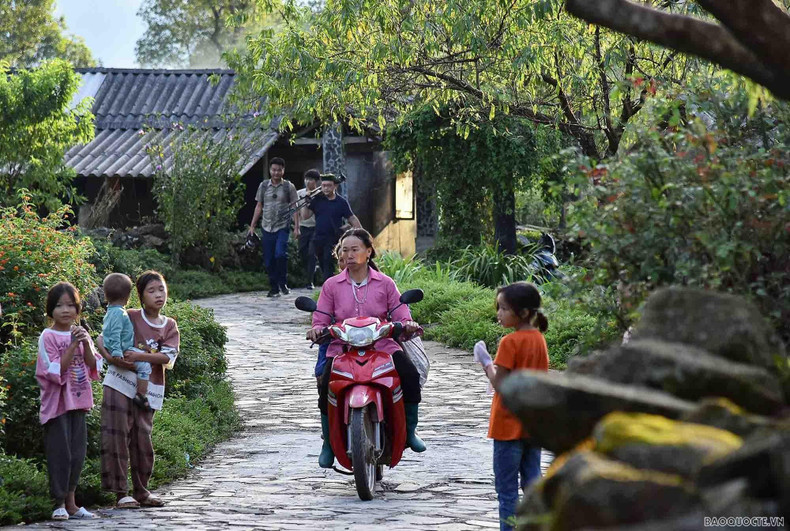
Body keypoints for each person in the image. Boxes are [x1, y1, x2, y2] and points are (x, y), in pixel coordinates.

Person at [307, 228, 425, 468]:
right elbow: (321, 318)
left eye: (355, 249)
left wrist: (407, 324)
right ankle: (328, 443)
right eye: (345, 250)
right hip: (342, 347)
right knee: (325, 384)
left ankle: (410, 432)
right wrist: (317, 329)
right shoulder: (331, 285)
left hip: (382, 344)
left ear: (368, 252)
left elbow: (400, 312)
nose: (349, 255)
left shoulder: (385, 283)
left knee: (410, 375)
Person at [97, 270, 180, 509]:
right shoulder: (129, 315)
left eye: (161, 289)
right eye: (151, 291)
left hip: (148, 389)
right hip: (119, 383)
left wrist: (140, 356)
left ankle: (142, 491)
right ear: (140, 296)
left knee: (142, 438)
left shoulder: (169, 326)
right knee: (117, 435)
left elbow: (167, 357)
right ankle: (121, 493)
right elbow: (103, 339)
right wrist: (111, 358)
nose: (158, 295)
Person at [472, 282, 549, 531]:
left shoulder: (510, 342)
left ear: (523, 312)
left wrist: (486, 363)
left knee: (507, 492)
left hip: (507, 425)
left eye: (504, 308)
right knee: (532, 484)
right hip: (532, 424)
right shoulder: (539, 339)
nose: (499, 313)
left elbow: (501, 384)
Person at [36, 282, 101, 520]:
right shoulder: (47, 336)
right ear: (50, 310)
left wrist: (84, 342)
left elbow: (93, 365)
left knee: (77, 453)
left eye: (71, 305)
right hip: (57, 405)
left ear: (78, 309)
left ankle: (72, 503)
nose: (66, 310)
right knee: (59, 453)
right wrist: (73, 344)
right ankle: (59, 503)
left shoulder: (81, 333)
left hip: (79, 401)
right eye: (59, 306)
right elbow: (53, 370)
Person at [247, 157, 300, 297]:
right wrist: (252, 226)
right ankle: (274, 287)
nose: (276, 173)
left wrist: (297, 227)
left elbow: (294, 207)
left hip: (282, 226)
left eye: (279, 170)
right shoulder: (263, 186)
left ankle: (283, 282)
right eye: (274, 170)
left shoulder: (289, 187)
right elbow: (259, 206)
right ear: (270, 170)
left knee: (280, 254)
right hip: (266, 226)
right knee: (269, 259)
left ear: (283, 170)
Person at [101, 273, 151, 410]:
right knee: (145, 365)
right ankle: (141, 395)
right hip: (122, 350)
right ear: (128, 296)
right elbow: (115, 333)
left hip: (116, 349)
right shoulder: (119, 313)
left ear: (106, 295)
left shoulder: (111, 311)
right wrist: (117, 352)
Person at [300, 173, 361, 284]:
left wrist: (361, 234)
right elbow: (305, 216)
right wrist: (306, 202)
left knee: (328, 263)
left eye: (329, 185)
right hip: (318, 237)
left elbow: (352, 218)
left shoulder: (341, 202)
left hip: (333, 238)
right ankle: (326, 283)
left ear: (335, 186)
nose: (326, 188)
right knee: (313, 258)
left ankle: (327, 287)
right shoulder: (317, 199)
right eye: (324, 185)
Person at [297, 169, 321, 289]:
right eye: (306, 179)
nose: (307, 181)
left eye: (311, 179)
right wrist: (296, 226)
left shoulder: (320, 194)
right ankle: (312, 269)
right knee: (302, 252)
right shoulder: (299, 193)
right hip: (303, 227)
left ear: (316, 181)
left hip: (316, 227)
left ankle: (309, 281)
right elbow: (295, 211)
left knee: (312, 253)